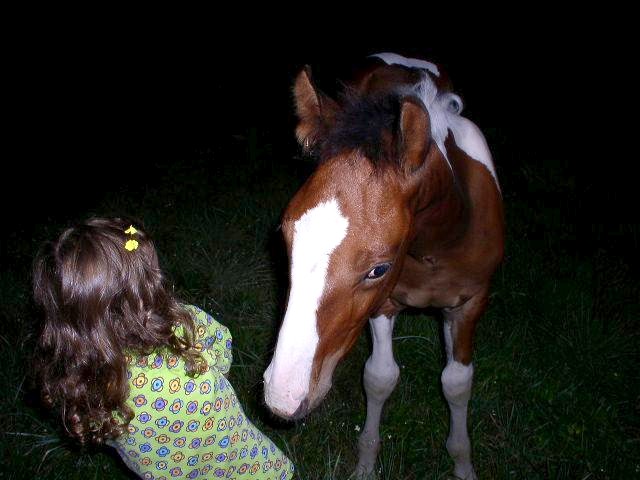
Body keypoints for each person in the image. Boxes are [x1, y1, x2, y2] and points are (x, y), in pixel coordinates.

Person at [32, 217, 294, 479]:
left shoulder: (81, 381)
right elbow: (222, 347)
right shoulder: (182, 329)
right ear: (142, 290)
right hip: (237, 459)